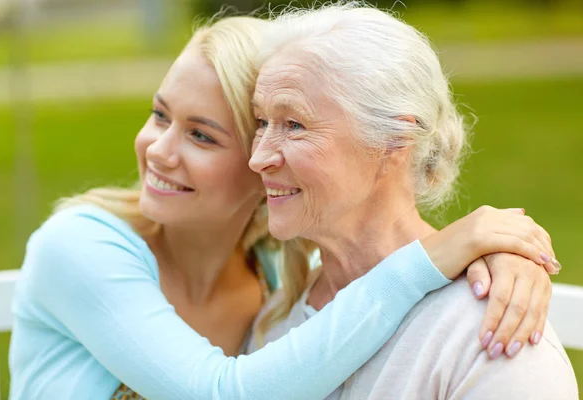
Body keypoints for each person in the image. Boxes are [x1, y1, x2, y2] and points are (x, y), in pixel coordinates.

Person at [9, 14, 559, 400]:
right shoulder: (85, 247)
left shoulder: (276, 278)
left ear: (396, 142)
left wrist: (499, 256)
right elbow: (221, 393)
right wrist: (435, 255)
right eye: (159, 114)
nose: (158, 148)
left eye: (203, 136)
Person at [247, 3, 578, 399]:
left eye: (294, 124)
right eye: (261, 123)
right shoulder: (275, 321)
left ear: (394, 141)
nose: (258, 157)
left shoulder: (495, 331)